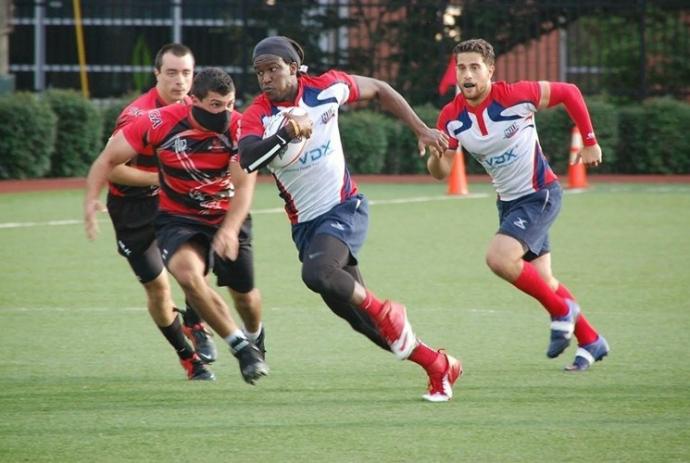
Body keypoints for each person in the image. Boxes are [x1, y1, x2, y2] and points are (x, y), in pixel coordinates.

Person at [239, 35, 460, 402]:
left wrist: (420, 128)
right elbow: (248, 157)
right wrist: (285, 133)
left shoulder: (327, 87)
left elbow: (380, 89)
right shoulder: (257, 115)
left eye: (273, 69)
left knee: (317, 275)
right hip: (307, 228)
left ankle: (387, 310)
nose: (266, 78)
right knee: (367, 327)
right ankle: (439, 365)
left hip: (345, 208)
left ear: (293, 68)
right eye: (259, 72)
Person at [429, 38, 609, 371]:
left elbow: (569, 91)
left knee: (499, 258)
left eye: (474, 67)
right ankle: (592, 340)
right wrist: (435, 151)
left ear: (490, 71)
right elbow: (441, 172)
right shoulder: (451, 117)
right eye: (461, 68)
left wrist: (590, 141)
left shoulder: (515, 95)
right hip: (509, 204)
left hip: (540, 194)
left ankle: (561, 312)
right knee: (545, 281)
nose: (466, 75)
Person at [85, 67, 268, 385]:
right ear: (193, 100)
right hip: (179, 216)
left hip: (225, 214)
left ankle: (255, 338)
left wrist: (228, 230)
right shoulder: (157, 121)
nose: (224, 113)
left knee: (246, 298)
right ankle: (241, 350)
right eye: (215, 105)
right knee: (186, 275)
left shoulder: (241, 127)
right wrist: (90, 200)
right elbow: (107, 160)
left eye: (229, 104)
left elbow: (245, 187)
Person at [96, 43, 218, 379]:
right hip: (132, 207)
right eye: (172, 73)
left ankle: (195, 321)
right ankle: (188, 358)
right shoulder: (136, 115)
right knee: (158, 288)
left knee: (195, 264)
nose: (180, 81)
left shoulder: (199, 108)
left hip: (174, 202)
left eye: (187, 73)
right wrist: (162, 178)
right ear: (157, 75)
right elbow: (112, 168)